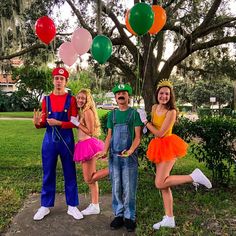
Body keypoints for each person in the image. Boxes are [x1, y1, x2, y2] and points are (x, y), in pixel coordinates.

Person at [137, 79, 212, 230]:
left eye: (167, 94)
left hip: (168, 145)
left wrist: (145, 122)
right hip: (157, 147)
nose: (163, 96)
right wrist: (146, 125)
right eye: (161, 93)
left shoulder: (172, 112)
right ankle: (169, 218)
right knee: (164, 185)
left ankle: (193, 177)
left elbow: (160, 133)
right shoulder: (154, 107)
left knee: (159, 182)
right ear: (157, 94)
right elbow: (154, 126)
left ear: (170, 96)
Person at [33, 67, 83, 221]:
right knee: (48, 172)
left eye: (62, 79)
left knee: (70, 172)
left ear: (66, 81)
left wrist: (59, 122)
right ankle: (45, 206)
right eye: (56, 78)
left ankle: (72, 206)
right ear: (53, 80)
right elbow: (43, 123)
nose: (59, 81)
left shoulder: (72, 99)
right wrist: (37, 123)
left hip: (66, 140)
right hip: (49, 141)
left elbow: (74, 123)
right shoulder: (46, 99)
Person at [96, 84, 143, 232]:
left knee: (129, 188)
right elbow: (109, 135)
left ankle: (130, 217)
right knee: (116, 187)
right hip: (115, 158)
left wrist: (130, 150)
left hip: (129, 158)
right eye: (118, 93)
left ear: (129, 97)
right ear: (115, 98)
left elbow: (137, 137)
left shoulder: (134, 114)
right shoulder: (112, 115)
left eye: (124, 93)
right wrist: (105, 150)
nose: (121, 95)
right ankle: (118, 214)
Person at [70, 88, 109, 216]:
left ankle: (113, 168)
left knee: (89, 178)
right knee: (91, 179)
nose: (80, 100)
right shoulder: (83, 111)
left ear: (87, 100)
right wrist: (77, 122)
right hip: (83, 144)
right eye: (79, 97)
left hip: (87, 145)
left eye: (83, 98)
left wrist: (77, 123)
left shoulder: (87, 112)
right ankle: (95, 205)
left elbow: (91, 131)